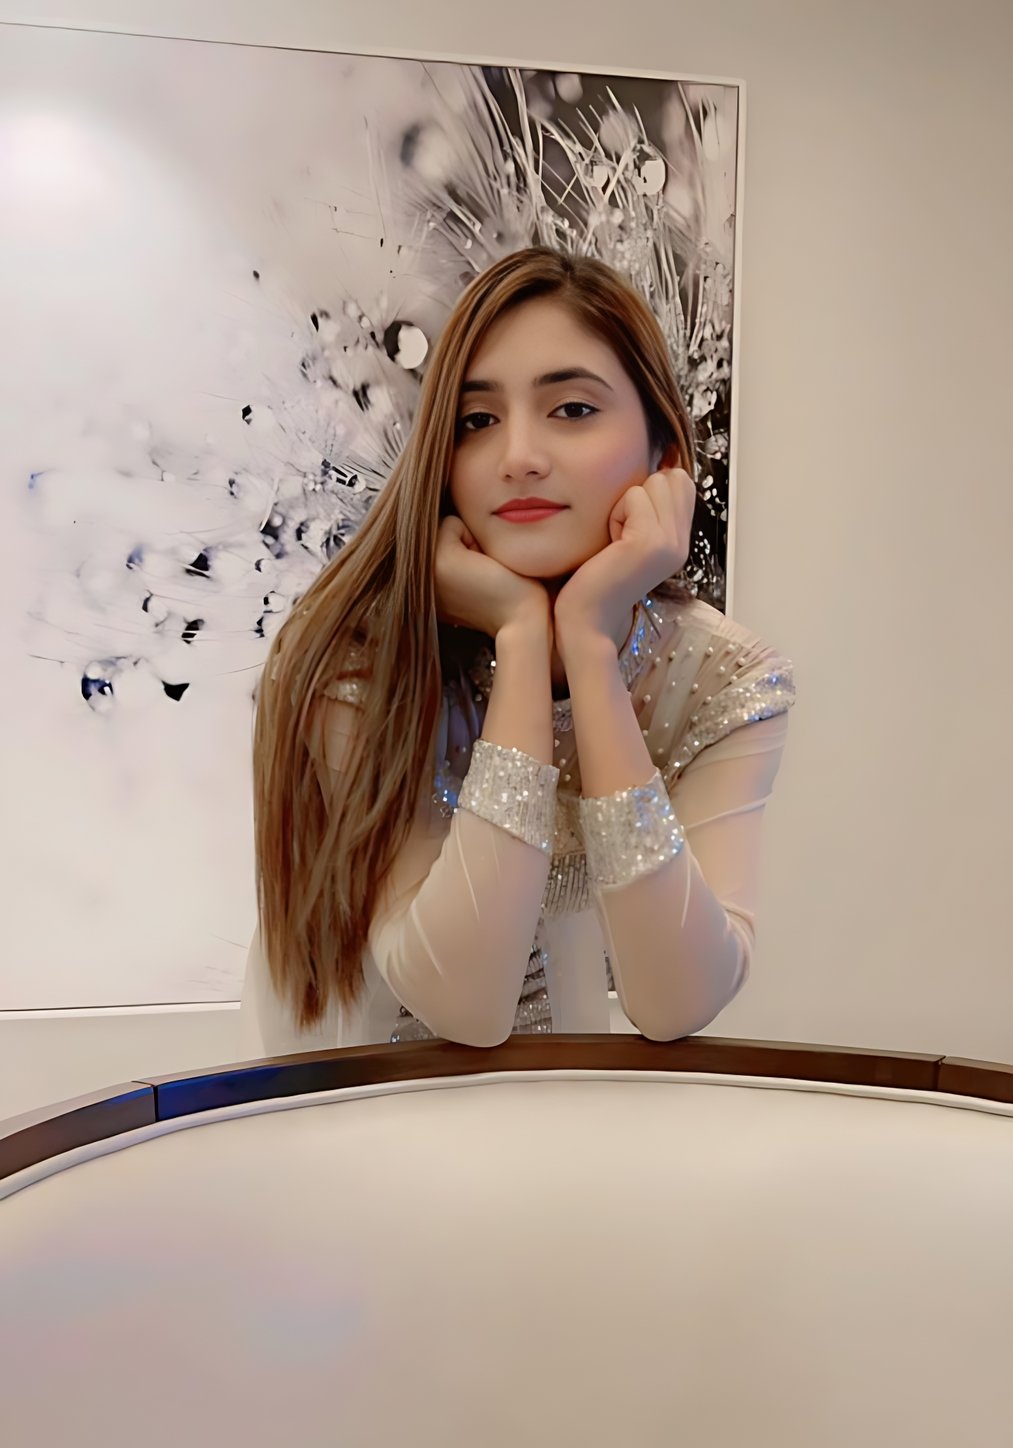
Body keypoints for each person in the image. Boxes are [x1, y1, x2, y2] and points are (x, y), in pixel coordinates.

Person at [239, 247, 795, 1054]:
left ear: (663, 455)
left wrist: (589, 647)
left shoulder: (724, 679)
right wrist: (523, 638)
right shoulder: (355, 664)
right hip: (353, 1094)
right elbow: (460, 1004)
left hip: (559, 1101)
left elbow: (677, 1001)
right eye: (477, 421)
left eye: (571, 409)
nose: (518, 457)